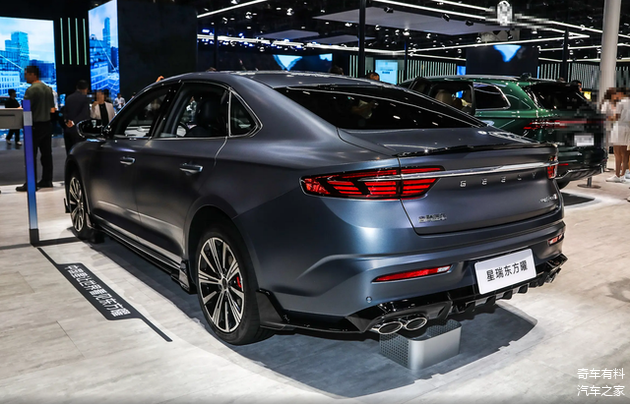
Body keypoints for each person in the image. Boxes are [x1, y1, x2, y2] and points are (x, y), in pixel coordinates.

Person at [16, 66, 56, 192]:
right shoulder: (48, 89)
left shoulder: (31, 90)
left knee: (31, 156)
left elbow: (25, 108)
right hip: (47, 125)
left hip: (33, 126)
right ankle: (47, 180)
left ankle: (31, 183)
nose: (25, 77)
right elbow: (52, 109)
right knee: (46, 155)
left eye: (26, 74)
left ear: (33, 74)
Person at [62, 80, 91, 155]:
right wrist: (73, 122)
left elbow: (65, 112)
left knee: (70, 153)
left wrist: (67, 122)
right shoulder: (85, 99)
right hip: (79, 131)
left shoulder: (69, 98)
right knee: (80, 154)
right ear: (86, 89)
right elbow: (85, 114)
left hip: (68, 130)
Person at [608, 88, 630, 183]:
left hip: (619, 127)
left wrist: (609, 117)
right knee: (625, 153)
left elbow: (616, 117)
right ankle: (623, 175)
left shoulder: (621, 103)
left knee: (617, 153)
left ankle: (617, 175)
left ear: (621, 93)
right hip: (628, 127)